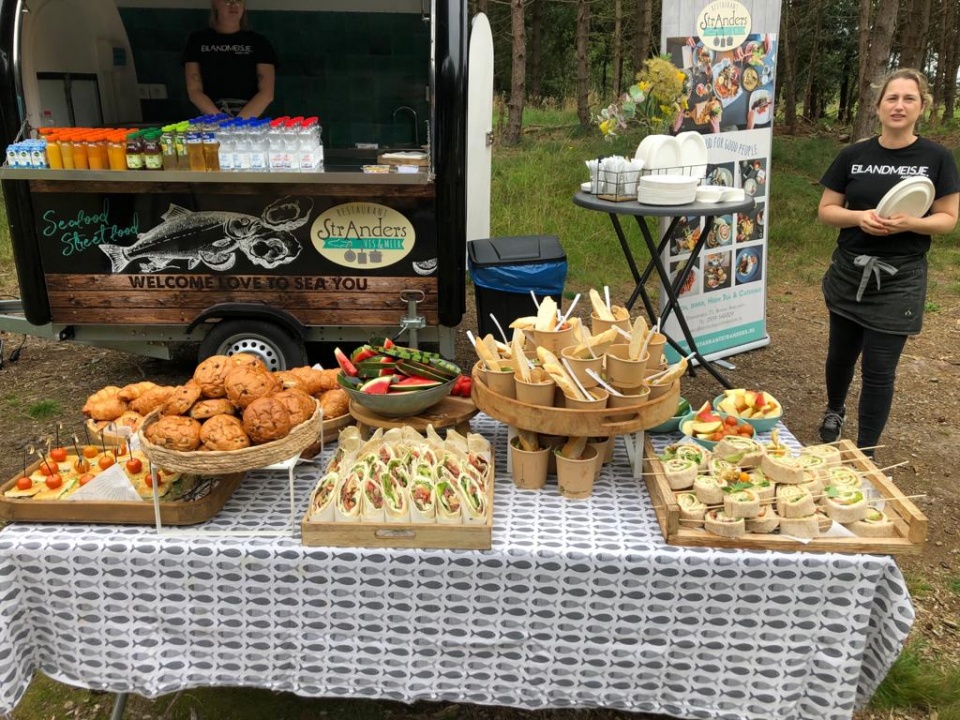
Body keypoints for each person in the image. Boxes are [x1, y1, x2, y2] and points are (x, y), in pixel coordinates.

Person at [816, 68, 959, 452]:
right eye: (892, 98)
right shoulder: (853, 155)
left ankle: (866, 452)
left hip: (900, 279)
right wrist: (858, 217)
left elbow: (947, 219)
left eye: (909, 99)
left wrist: (912, 223)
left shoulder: (937, 158)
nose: (899, 106)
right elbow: (827, 210)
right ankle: (834, 409)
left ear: (921, 107)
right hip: (850, 270)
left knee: (879, 370)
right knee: (840, 356)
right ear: (878, 106)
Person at [182, 0, 277, 118]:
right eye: (227, 0)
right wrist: (220, 119)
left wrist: (238, 123)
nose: (233, 5)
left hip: (250, 117)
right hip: (209, 117)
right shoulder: (197, 40)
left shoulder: (259, 42)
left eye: (238, 1)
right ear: (215, 3)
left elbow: (266, 94)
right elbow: (194, 90)